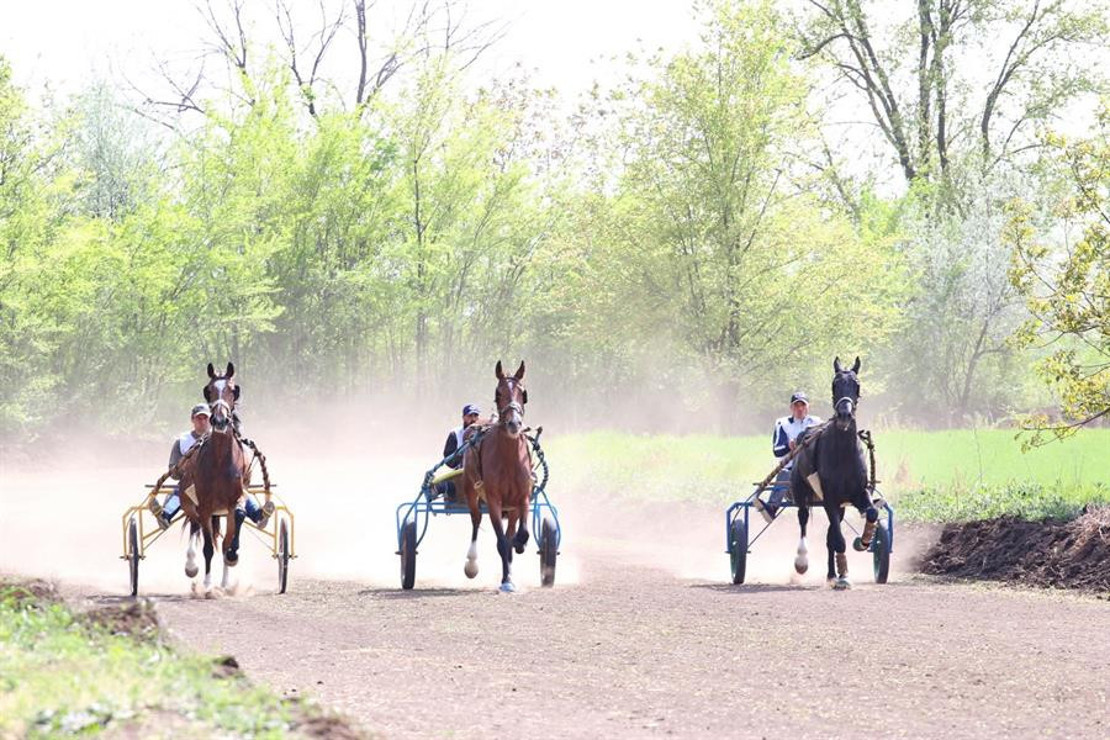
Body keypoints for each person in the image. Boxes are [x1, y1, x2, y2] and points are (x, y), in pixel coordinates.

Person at [150, 403, 273, 533]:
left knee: (240, 491)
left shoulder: (223, 439)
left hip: (224, 485)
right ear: (192, 420)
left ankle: (258, 516)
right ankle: (165, 515)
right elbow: (173, 471)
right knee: (181, 490)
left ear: (211, 420)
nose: (202, 422)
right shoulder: (182, 441)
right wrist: (185, 469)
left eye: (205, 418)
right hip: (192, 486)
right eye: (199, 418)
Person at [755, 391, 821, 523]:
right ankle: (772, 507)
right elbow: (777, 451)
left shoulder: (817, 422)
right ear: (791, 408)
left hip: (813, 472)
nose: (800, 409)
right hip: (792, 474)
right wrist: (788, 446)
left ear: (808, 407)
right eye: (796, 405)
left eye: (803, 405)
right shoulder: (783, 423)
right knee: (785, 473)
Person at [434, 404, 484, 502]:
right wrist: (463, 455)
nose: (473, 419)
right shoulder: (455, 434)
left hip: (481, 475)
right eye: (470, 416)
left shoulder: (486, 434)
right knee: (445, 485)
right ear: (463, 417)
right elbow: (449, 462)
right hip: (460, 473)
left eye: (475, 416)